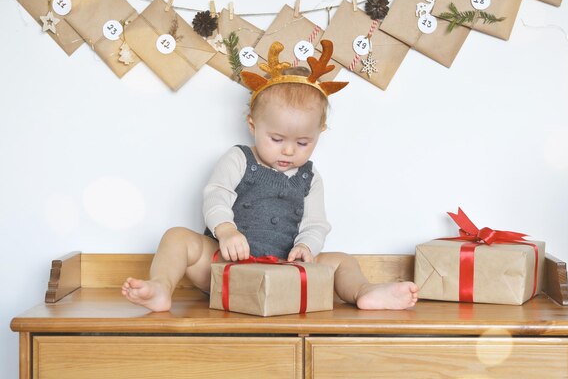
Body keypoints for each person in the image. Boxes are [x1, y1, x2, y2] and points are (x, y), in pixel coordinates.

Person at [122, 40, 418, 312]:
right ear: (253, 125)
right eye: (276, 139)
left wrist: (306, 247)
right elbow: (217, 194)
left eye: (303, 143)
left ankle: (365, 291)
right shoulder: (239, 159)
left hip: (284, 269)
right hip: (226, 265)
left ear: (320, 133)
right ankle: (161, 287)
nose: (289, 150)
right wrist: (225, 231)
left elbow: (316, 223)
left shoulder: (310, 178)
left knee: (341, 261)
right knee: (177, 237)